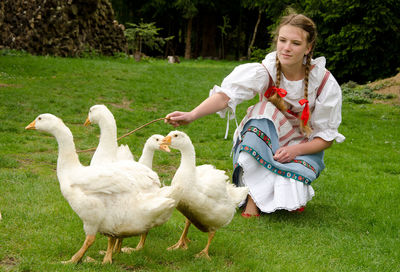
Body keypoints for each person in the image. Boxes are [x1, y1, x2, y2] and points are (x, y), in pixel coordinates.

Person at [165, 11, 345, 217]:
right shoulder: (265, 70)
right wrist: (191, 115)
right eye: (282, 40)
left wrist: (295, 151)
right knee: (262, 110)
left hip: (301, 144)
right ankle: (253, 199)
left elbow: (326, 137)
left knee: (290, 196)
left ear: (308, 48)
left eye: (295, 43)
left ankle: (280, 192)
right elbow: (226, 96)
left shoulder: (323, 82)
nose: (286, 48)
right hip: (266, 138)